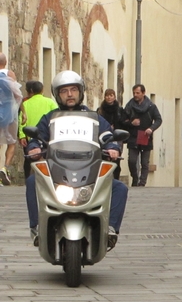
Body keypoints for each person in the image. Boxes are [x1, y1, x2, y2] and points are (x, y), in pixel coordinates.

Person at [25, 70, 128, 249]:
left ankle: (111, 228)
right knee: (33, 181)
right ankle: (36, 227)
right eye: (64, 91)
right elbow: (37, 137)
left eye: (73, 89)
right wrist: (33, 147)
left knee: (119, 188)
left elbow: (107, 137)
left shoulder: (94, 119)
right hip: (57, 169)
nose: (70, 94)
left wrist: (112, 148)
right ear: (57, 95)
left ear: (81, 92)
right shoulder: (50, 118)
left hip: (88, 168)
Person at [123, 84, 162, 187]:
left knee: (145, 163)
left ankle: (142, 183)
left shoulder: (151, 106)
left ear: (143, 93)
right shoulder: (129, 105)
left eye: (137, 93)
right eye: (134, 93)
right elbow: (122, 120)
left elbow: (158, 119)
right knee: (131, 161)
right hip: (133, 136)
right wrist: (131, 122)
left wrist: (151, 128)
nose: (135, 95)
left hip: (145, 136)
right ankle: (135, 178)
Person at [18, 81, 55, 180]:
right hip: (47, 137)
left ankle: (28, 178)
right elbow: (58, 116)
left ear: (30, 91)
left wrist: (22, 136)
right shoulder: (50, 102)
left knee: (28, 159)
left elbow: (22, 120)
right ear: (42, 90)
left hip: (30, 136)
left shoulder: (25, 103)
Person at [0, 53, 21, 186]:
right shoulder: (9, 74)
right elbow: (17, 94)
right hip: (9, 112)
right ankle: (5, 168)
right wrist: (22, 111)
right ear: (6, 62)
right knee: (11, 142)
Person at [97, 88, 126, 180]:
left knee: (116, 159)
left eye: (111, 95)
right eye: (107, 95)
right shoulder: (100, 110)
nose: (109, 98)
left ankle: (116, 178)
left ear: (114, 97)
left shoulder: (119, 109)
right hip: (104, 136)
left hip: (117, 136)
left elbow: (124, 122)